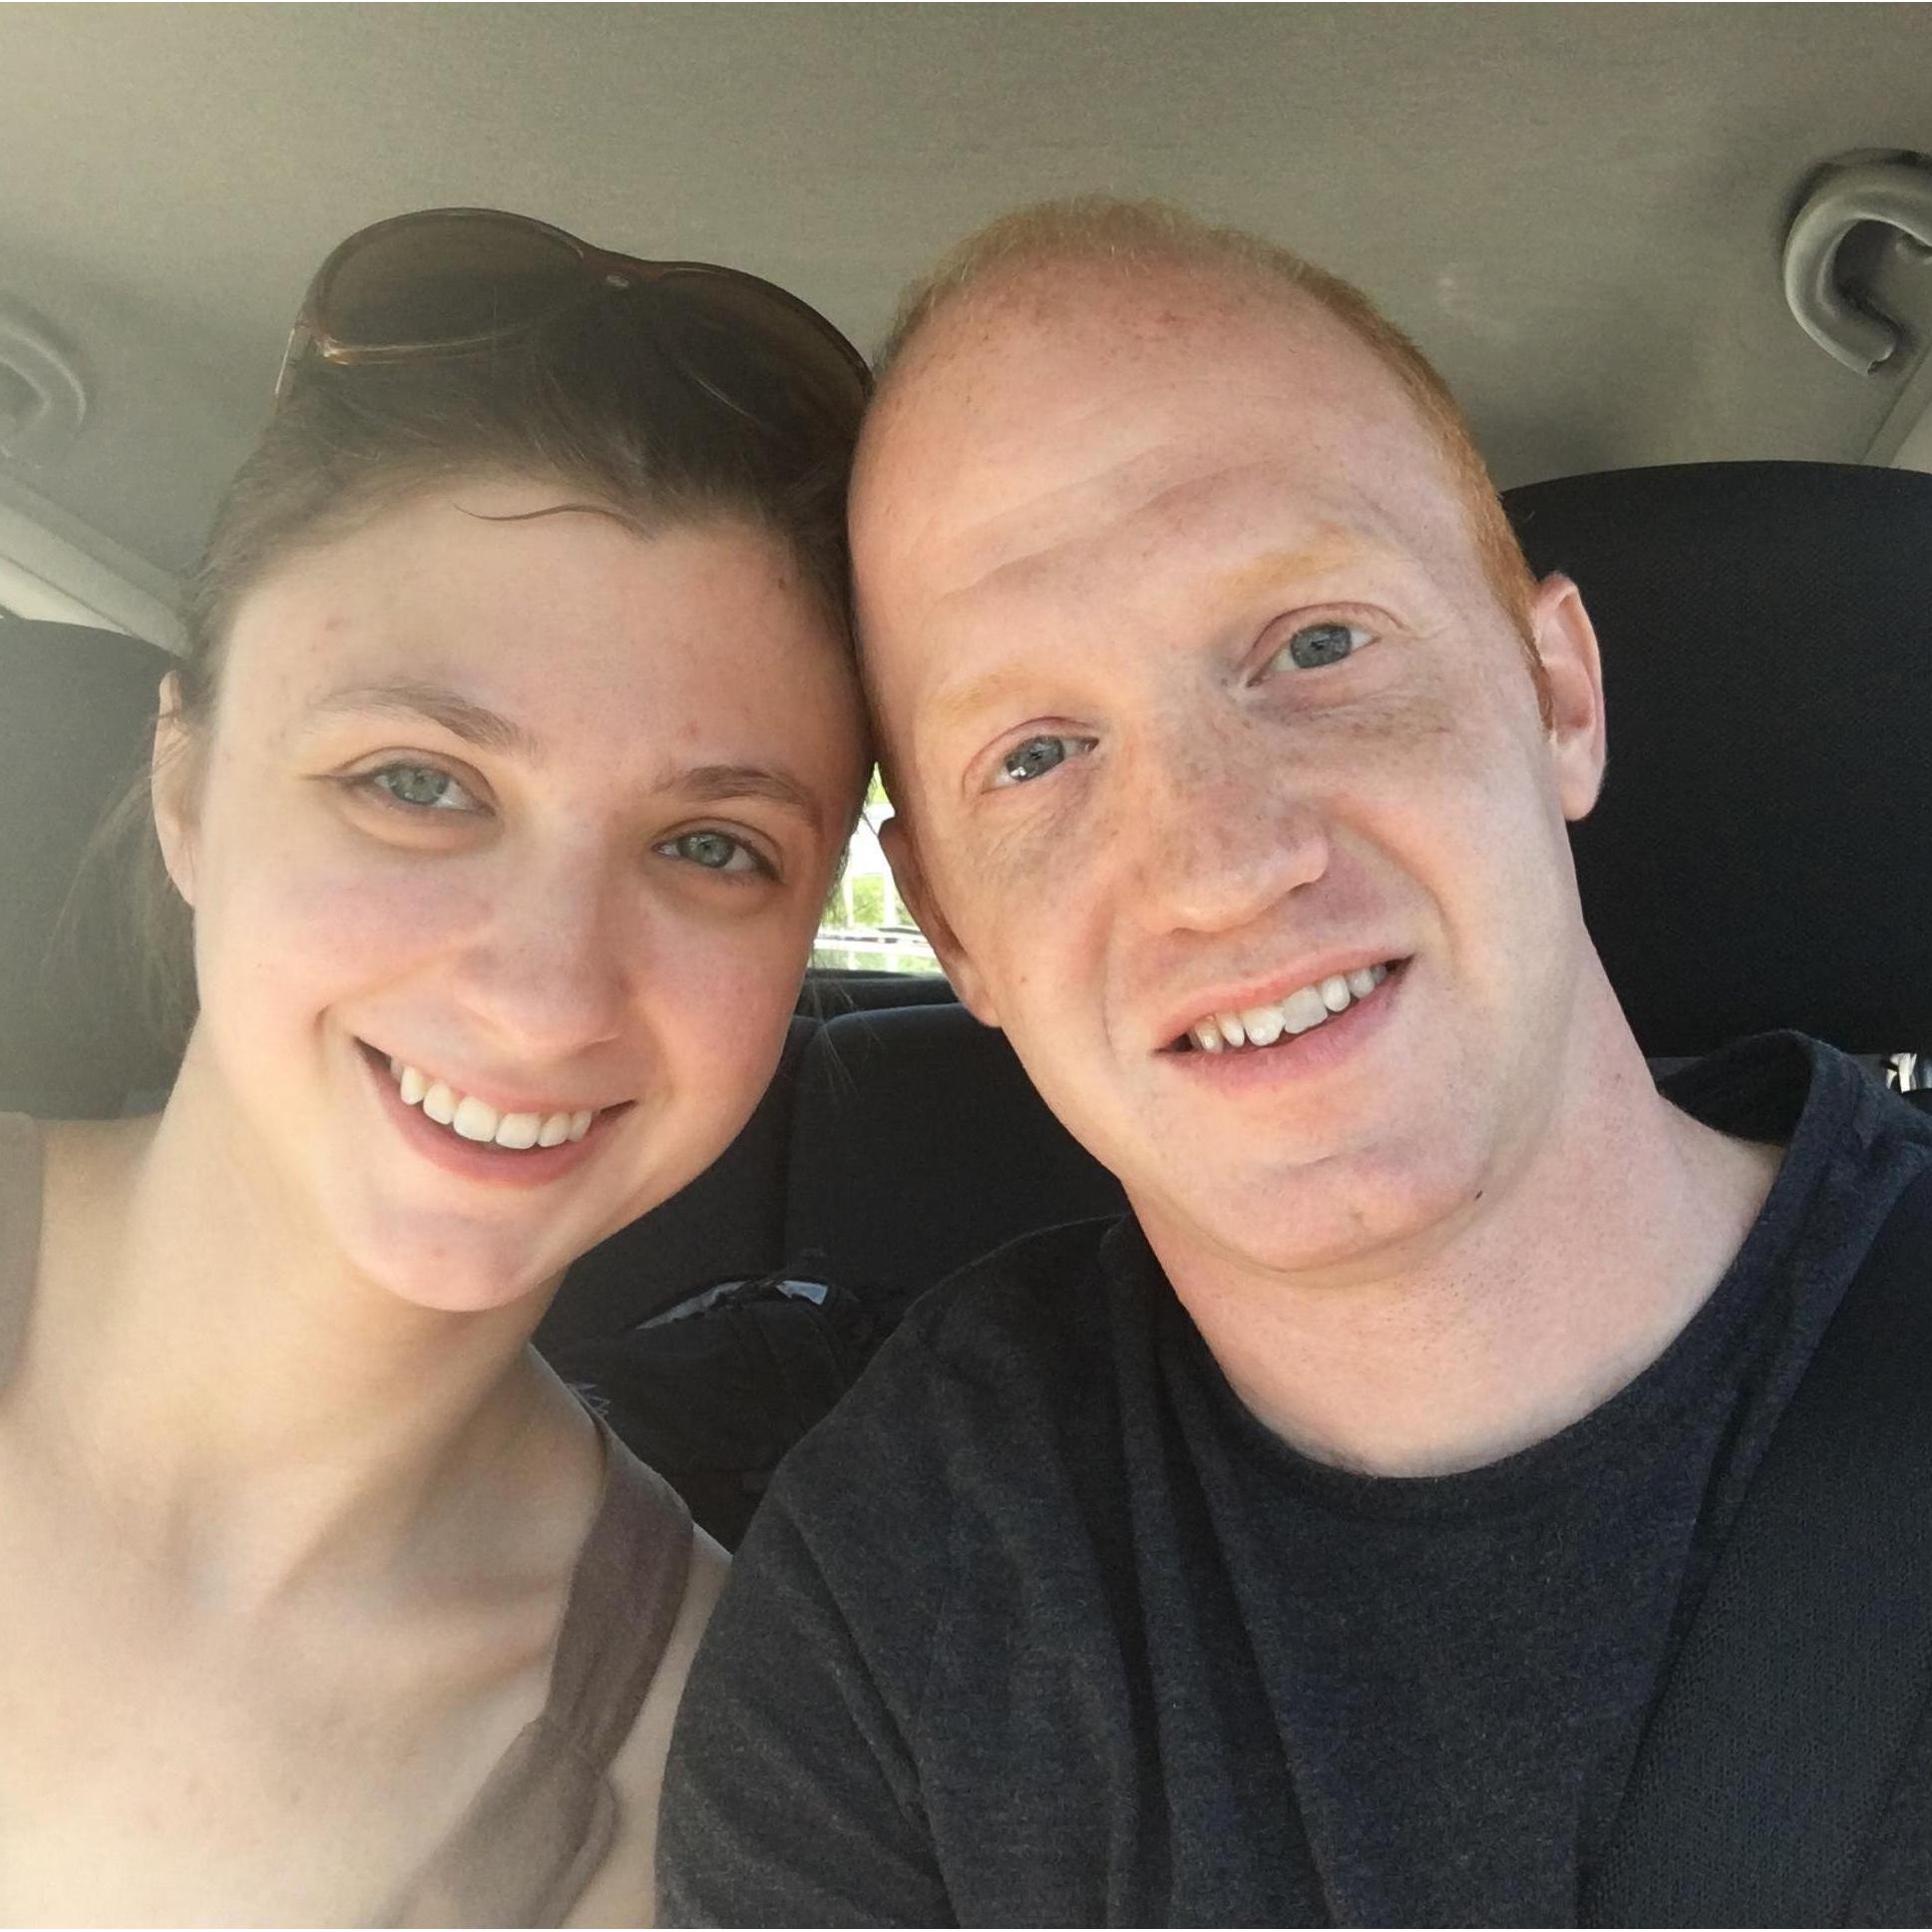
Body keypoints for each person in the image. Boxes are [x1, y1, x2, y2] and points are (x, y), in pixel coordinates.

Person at [656, 196, 1932, 1925]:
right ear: (955, 932)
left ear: (1558, 694)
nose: (1217, 860)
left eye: (1315, 645)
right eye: (1035, 753)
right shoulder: (895, 1592)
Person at [0, 206, 869, 1925]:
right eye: (417, 781)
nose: (547, 998)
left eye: (710, 847)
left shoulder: (701, 1779)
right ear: (185, 783)